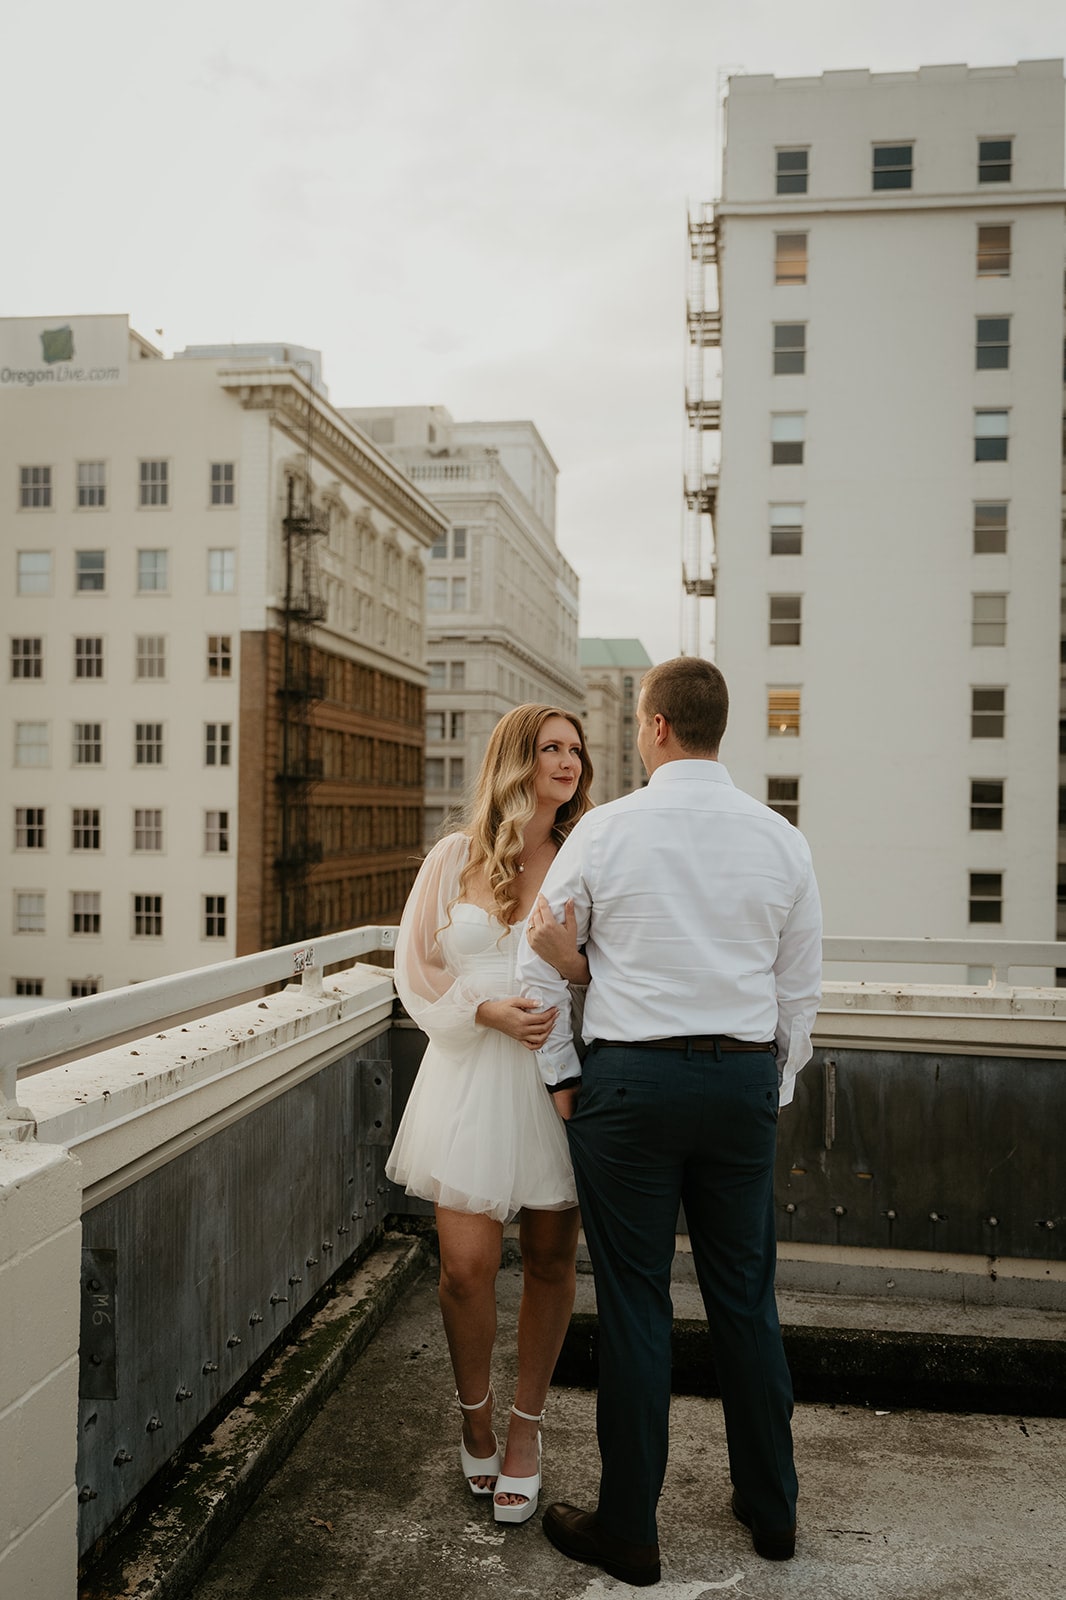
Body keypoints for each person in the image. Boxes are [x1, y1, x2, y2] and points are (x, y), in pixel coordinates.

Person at [516, 657, 822, 1586]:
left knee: (638, 1304)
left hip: (629, 1090)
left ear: (653, 727)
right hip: (737, 1087)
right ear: (719, 728)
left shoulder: (605, 832)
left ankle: (630, 1533)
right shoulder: (781, 841)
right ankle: (773, 1516)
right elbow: (798, 997)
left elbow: (539, 963)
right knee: (744, 1300)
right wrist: (765, 1090)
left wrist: (567, 1082)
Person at [386, 703, 593, 1525]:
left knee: (549, 1264)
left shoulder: (588, 855)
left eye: (576, 748)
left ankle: (524, 1433)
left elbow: (611, 968)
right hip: (468, 1082)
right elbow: (416, 968)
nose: (569, 760)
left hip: (559, 1083)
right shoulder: (453, 856)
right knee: (464, 1271)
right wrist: (484, 1009)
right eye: (551, 747)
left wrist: (560, 976)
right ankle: (473, 1414)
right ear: (517, 758)